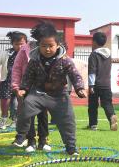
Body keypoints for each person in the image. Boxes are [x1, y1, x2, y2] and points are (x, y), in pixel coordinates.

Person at [12, 22, 86, 155]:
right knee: (26, 105)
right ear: (38, 45)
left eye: (50, 46)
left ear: (57, 45)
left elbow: (74, 74)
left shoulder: (65, 60)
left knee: (67, 119)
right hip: (38, 93)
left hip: (59, 95)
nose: (47, 49)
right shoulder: (34, 60)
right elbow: (27, 76)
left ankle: (71, 146)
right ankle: (22, 135)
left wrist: (79, 88)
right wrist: (23, 88)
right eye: (44, 46)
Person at [87, 31, 118, 131]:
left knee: (93, 105)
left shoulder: (94, 55)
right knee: (107, 103)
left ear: (94, 42)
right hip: (106, 84)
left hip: (96, 84)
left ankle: (93, 125)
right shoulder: (109, 55)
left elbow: (92, 71)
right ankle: (112, 116)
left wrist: (91, 85)